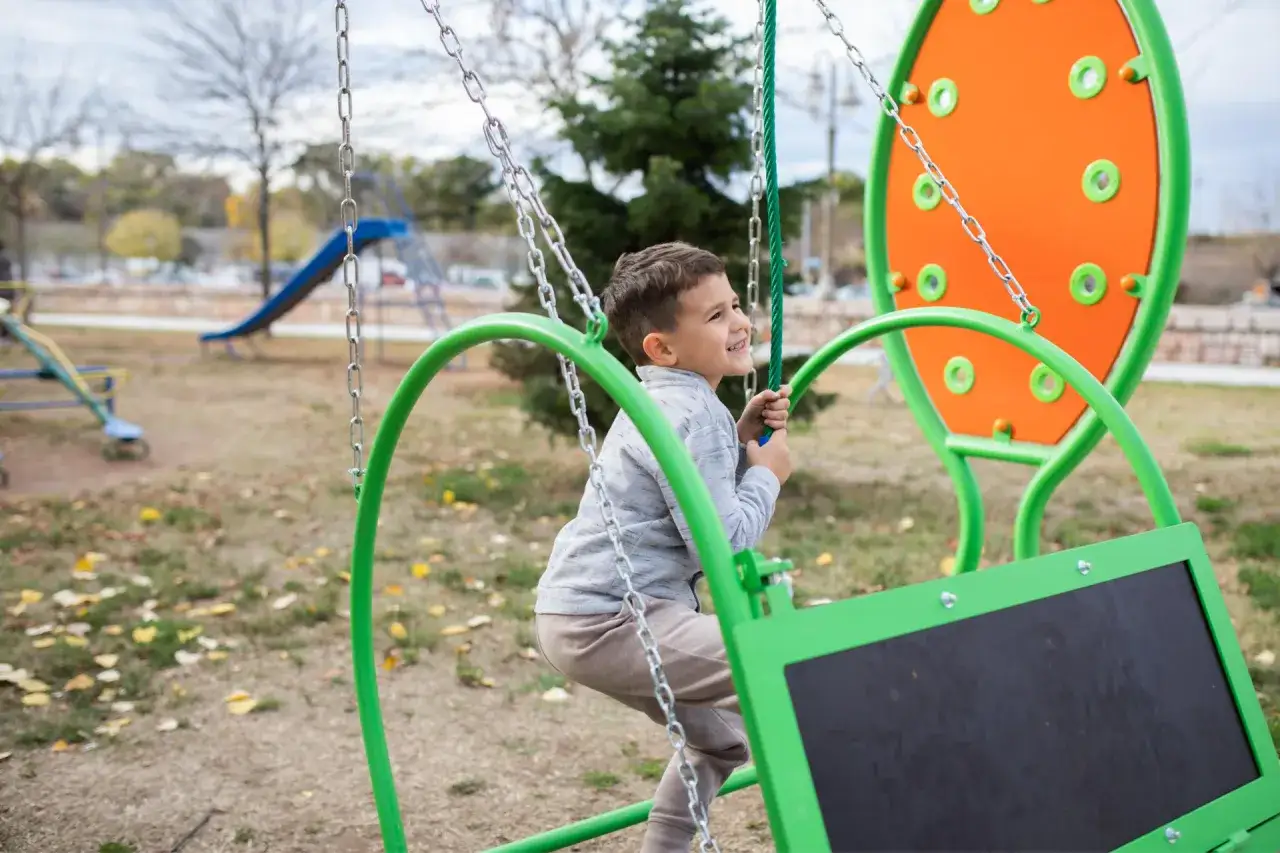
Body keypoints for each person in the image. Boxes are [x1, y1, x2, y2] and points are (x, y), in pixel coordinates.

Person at [534, 242, 794, 852]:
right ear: (662, 349)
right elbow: (722, 543)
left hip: (575, 614)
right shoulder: (693, 415)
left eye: (735, 306)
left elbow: (688, 491)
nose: (740, 323)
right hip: (612, 620)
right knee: (784, 663)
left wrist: (739, 436)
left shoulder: (667, 401)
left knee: (722, 741)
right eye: (716, 316)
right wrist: (768, 476)